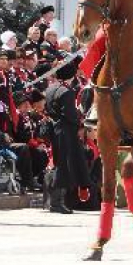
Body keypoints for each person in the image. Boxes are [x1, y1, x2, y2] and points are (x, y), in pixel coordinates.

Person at [44, 57, 91, 214]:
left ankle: (53, 201)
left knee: (57, 163)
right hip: (66, 131)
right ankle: (56, 202)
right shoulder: (67, 92)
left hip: (54, 129)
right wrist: (80, 120)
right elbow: (70, 115)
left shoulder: (50, 88)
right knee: (63, 165)